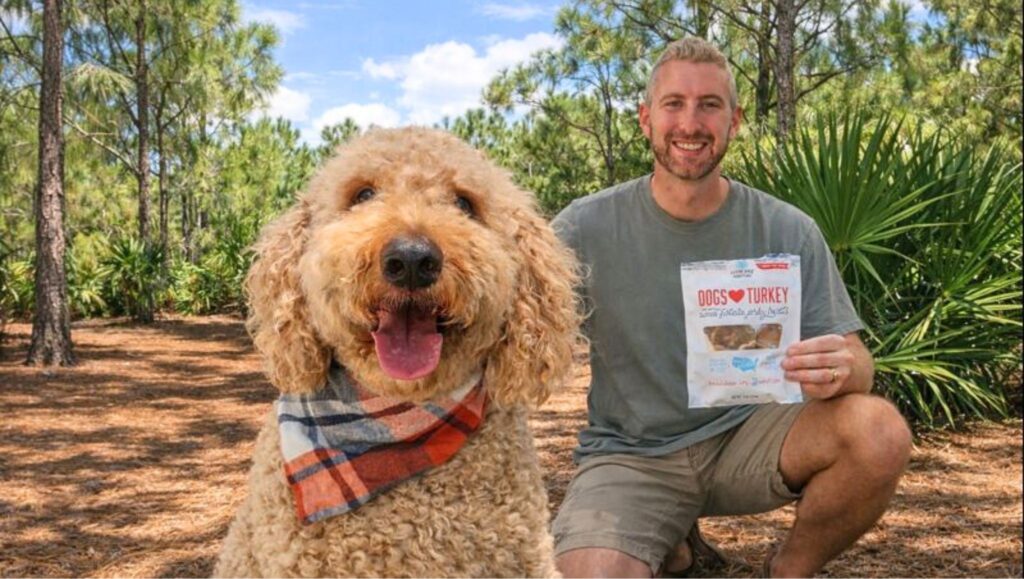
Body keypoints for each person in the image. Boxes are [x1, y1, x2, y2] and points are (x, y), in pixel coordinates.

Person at [550, 37, 912, 578]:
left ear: (734, 120)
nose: (690, 123)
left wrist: (841, 368)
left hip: (752, 436)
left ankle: (789, 568)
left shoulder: (787, 228)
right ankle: (670, 542)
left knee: (881, 431)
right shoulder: (584, 226)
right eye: (674, 104)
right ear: (646, 118)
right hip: (633, 454)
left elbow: (859, 362)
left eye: (709, 105)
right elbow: (514, 317)